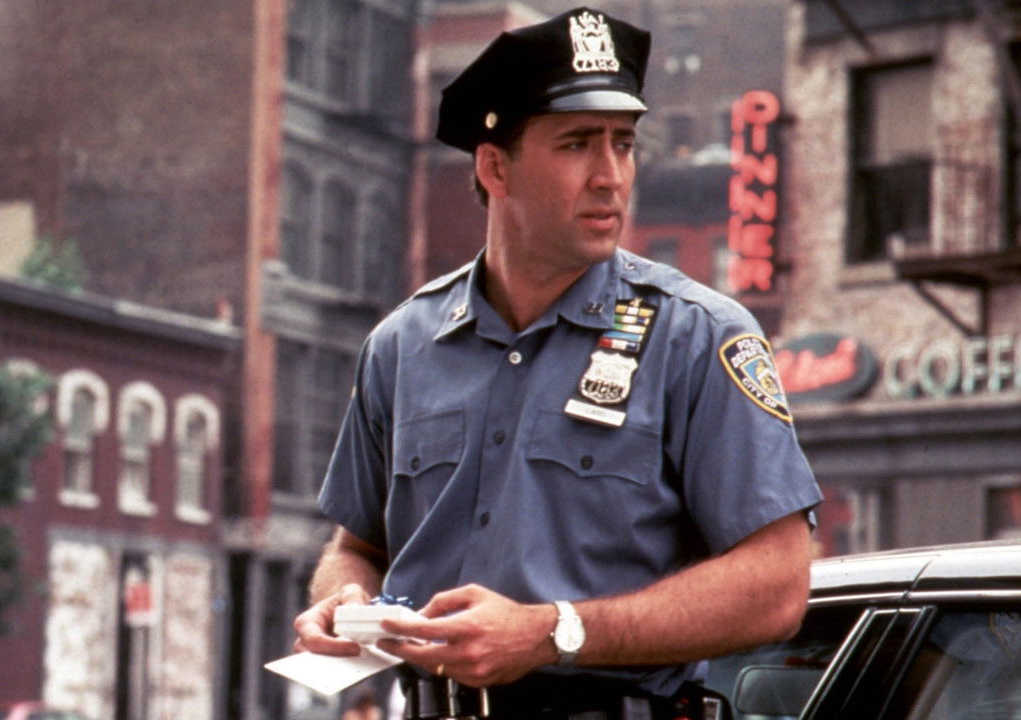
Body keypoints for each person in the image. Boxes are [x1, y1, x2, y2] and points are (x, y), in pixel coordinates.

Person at [292, 6, 822, 719]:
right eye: (577, 144)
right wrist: (342, 599)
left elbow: (779, 585)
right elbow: (355, 546)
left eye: (624, 144)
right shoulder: (402, 345)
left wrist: (553, 633)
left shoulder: (697, 337)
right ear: (494, 167)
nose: (611, 176)